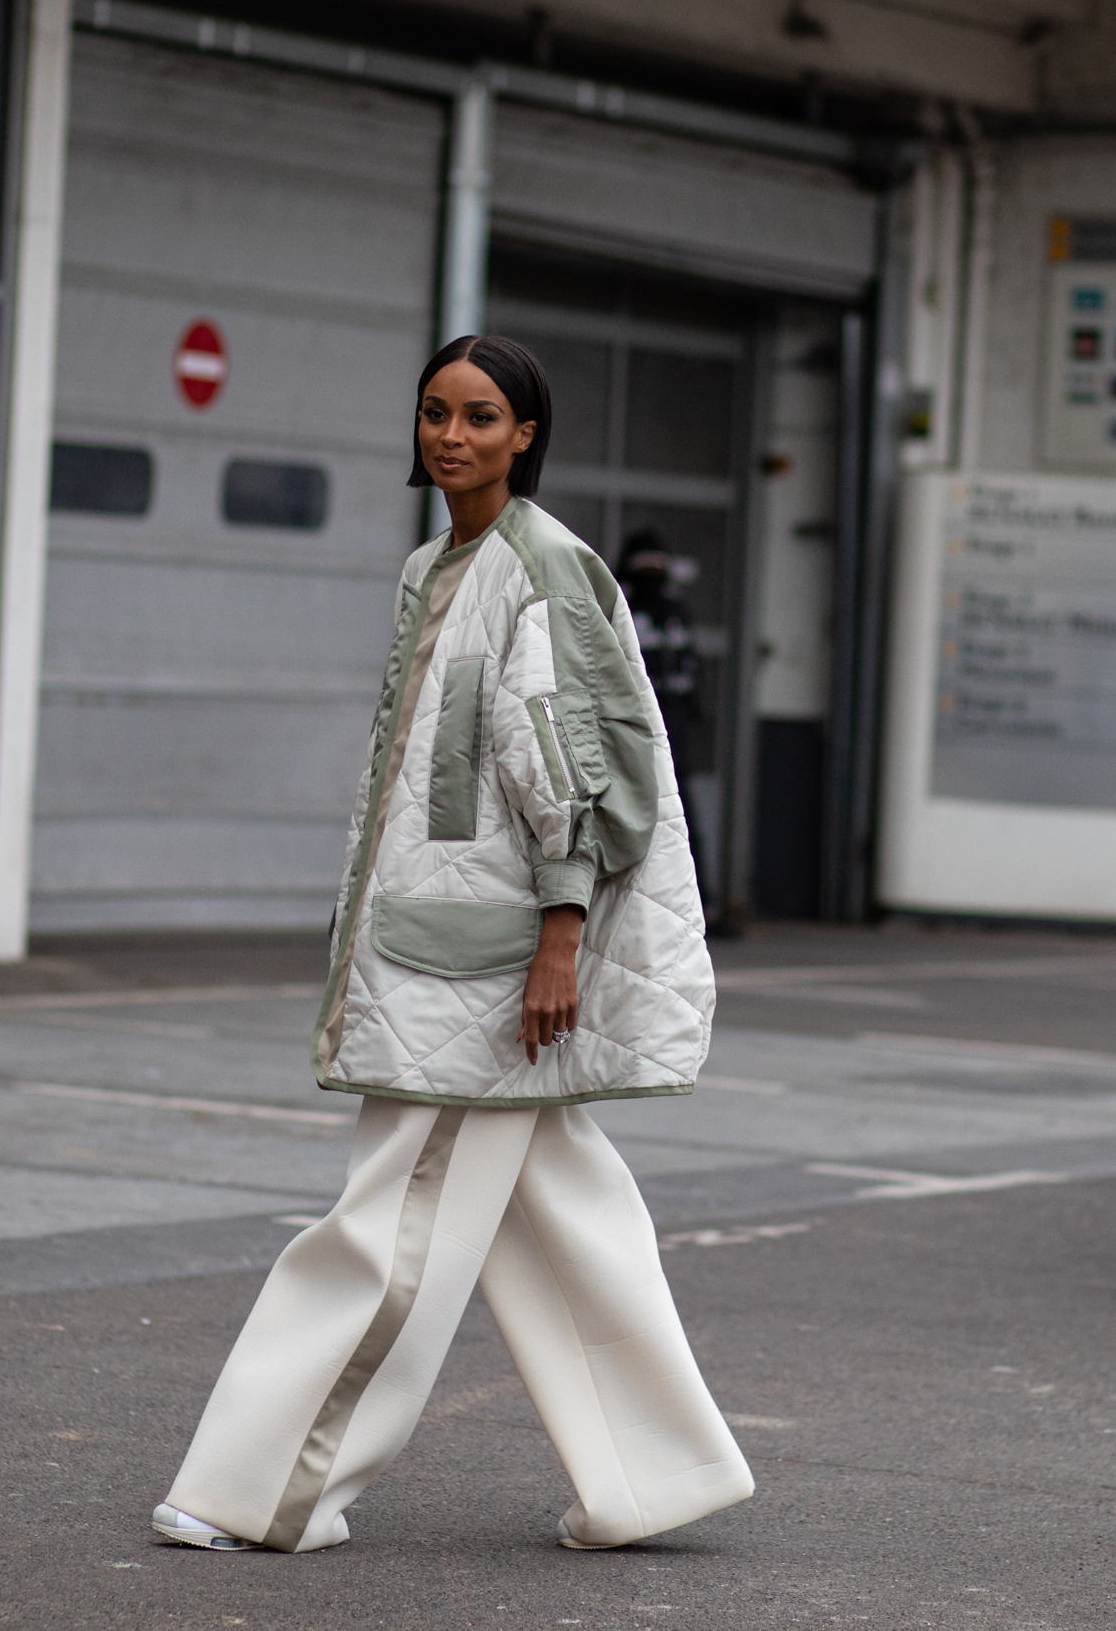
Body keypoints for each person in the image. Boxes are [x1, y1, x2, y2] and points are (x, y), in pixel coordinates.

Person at [149, 335, 752, 1555]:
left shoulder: (543, 565)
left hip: (484, 965)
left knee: (392, 1224)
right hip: (443, 943)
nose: (452, 435)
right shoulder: (437, 562)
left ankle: (268, 1486)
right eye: (435, 412)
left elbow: (582, 770)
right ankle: (656, 1475)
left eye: (481, 416)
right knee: (559, 1218)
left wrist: (560, 940)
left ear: (525, 433)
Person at [618, 531, 711, 911]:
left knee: (678, 813)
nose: (652, 574)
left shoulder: (675, 610)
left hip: (673, 728)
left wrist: (691, 707)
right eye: (645, 567)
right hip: (630, 727)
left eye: (657, 566)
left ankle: (694, 899)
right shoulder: (621, 606)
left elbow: (688, 663)